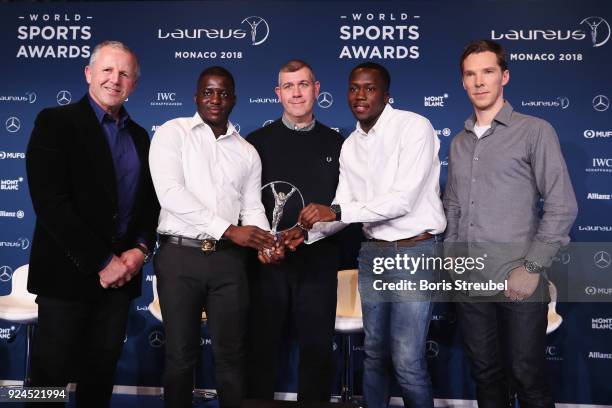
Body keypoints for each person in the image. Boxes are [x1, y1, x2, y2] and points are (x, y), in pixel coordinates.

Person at [299, 62, 446, 408]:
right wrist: (306, 232)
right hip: (373, 254)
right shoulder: (351, 145)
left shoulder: (414, 127)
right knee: (375, 354)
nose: (360, 95)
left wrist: (334, 211)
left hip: (415, 251)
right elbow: (345, 207)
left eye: (369, 88)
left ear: (386, 94)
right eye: (353, 88)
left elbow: (401, 200)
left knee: (408, 360)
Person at [443, 40, 578, 407]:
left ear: (504, 76)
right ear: (463, 82)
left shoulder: (535, 130)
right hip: (471, 280)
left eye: (487, 72)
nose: (479, 81)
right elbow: (453, 205)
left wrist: (532, 267)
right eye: (470, 74)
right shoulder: (458, 143)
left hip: (518, 278)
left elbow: (562, 205)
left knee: (527, 376)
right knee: (485, 375)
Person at [25, 41, 159, 407]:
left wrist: (140, 250)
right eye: (107, 70)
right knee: (47, 378)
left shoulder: (140, 136)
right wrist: (103, 262)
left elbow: (149, 204)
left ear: (133, 83)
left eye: (124, 73)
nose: (115, 79)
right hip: (66, 277)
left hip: (119, 283)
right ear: (88, 74)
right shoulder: (55, 122)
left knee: (100, 376)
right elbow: (51, 204)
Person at [149, 66, 277, 408]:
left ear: (234, 99)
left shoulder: (247, 151)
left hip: (229, 261)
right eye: (208, 92)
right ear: (196, 97)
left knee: (232, 355)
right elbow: (170, 193)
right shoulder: (172, 133)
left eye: (222, 93)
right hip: (180, 257)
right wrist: (230, 230)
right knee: (180, 354)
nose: (215, 99)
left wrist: (266, 242)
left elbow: (251, 208)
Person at [245, 60, 345, 402]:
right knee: (260, 349)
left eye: (304, 84)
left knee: (317, 351)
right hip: (266, 261)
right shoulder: (254, 143)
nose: (297, 92)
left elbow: (346, 206)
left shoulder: (338, 144)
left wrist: (308, 234)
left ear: (316, 89)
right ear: (278, 93)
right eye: (289, 86)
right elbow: (242, 203)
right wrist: (264, 244)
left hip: (317, 261)